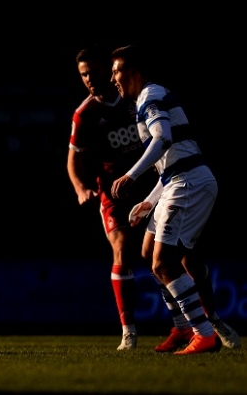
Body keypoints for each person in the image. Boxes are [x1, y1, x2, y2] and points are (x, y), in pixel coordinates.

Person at [110, 44, 240, 354]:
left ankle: (204, 333)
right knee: (149, 253)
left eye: (116, 71)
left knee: (165, 261)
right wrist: (150, 201)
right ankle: (183, 328)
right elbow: (170, 161)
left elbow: (163, 137)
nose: (113, 79)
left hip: (190, 183)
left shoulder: (150, 96)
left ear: (132, 71)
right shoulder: (147, 98)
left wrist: (131, 175)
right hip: (176, 182)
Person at [66, 46, 158, 350]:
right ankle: (128, 331)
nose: (89, 79)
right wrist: (81, 188)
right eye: (83, 75)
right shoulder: (84, 114)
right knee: (121, 248)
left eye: (93, 71)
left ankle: (198, 323)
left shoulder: (136, 98)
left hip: (149, 185)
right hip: (113, 193)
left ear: (109, 69)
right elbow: (73, 160)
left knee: (168, 254)